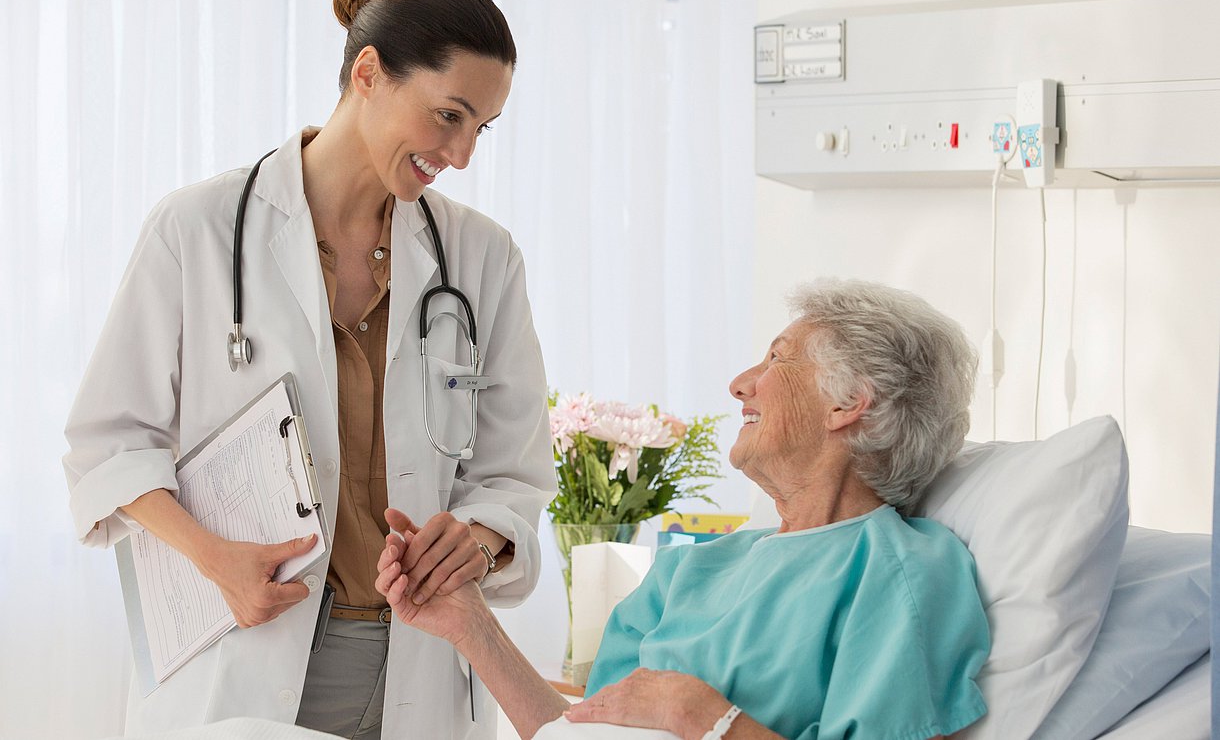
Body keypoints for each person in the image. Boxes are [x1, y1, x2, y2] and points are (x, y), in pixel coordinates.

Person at [62, 0, 554, 738]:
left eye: (481, 128)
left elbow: (514, 472)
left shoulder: (483, 259)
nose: (459, 154)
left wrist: (480, 539)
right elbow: (109, 445)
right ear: (368, 75)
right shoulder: (197, 231)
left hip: (417, 661)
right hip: (246, 650)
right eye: (448, 115)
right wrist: (214, 557)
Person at [375, 279, 991, 740]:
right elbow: (581, 734)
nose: (741, 383)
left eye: (778, 359)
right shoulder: (689, 571)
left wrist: (699, 715)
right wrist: (469, 623)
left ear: (850, 402)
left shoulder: (902, 571)